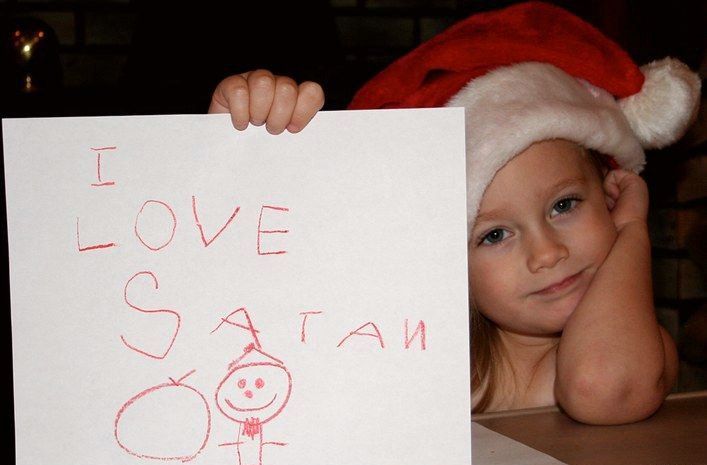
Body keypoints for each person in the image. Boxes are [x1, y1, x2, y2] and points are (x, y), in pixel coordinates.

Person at [207, 2, 700, 425]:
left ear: (609, 198)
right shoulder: (432, 362)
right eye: (494, 235)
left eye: (564, 205)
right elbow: (273, 304)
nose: (548, 253)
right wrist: (236, 151)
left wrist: (630, 232)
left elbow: (600, 386)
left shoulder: (637, 343)